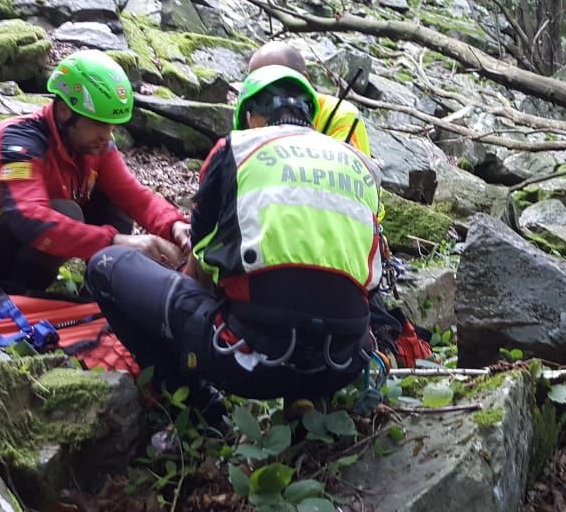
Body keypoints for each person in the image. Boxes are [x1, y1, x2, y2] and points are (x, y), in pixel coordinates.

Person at [85, 65, 382, 411]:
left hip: (250, 363)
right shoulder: (361, 167)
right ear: (310, 119)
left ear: (252, 117)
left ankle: (197, 405)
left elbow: (201, 262)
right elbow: (368, 281)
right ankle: (309, 400)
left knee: (105, 265)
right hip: (342, 362)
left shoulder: (236, 149)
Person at [0, 50, 189, 293]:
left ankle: (103, 289)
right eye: (98, 124)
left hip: (2, 244)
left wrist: (173, 225)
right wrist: (116, 241)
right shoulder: (20, 142)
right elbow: (28, 219)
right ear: (64, 112)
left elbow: (135, 197)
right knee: (65, 212)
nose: (106, 136)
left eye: (111, 127)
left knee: (113, 202)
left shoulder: (91, 146)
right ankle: (16, 294)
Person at [246, 42, 371, 156]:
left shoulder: (342, 116)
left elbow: (348, 172)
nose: (271, 95)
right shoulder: (252, 109)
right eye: (258, 86)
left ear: (304, 79)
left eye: (282, 83)